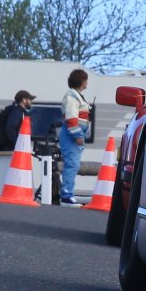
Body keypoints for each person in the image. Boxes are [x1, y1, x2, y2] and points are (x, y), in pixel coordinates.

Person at [59, 70, 91, 207]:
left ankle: (68, 194)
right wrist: (78, 135)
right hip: (71, 135)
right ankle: (66, 196)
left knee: (73, 164)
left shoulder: (76, 95)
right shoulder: (72, 97)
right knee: (72, 164)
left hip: (72, 134)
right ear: (81, 81)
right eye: (86, 79)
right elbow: (71, 118)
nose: (87, 82)